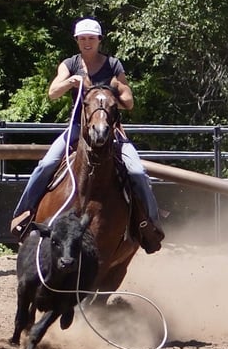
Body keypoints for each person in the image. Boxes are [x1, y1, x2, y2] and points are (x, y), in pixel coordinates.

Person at [9, 17, 165, 253]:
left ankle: (149, 224)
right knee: (46, 164)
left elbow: (128, 102)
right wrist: (70, 82)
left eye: (91, 38)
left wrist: (110, 97)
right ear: (77, 41)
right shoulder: (70, 64)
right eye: (82, 39)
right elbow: (52, 93)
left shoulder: (113, 65)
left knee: (137, 171)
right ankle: (25, 215)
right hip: (77, 129)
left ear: (99, 40)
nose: (87, 42)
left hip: (112, 131)